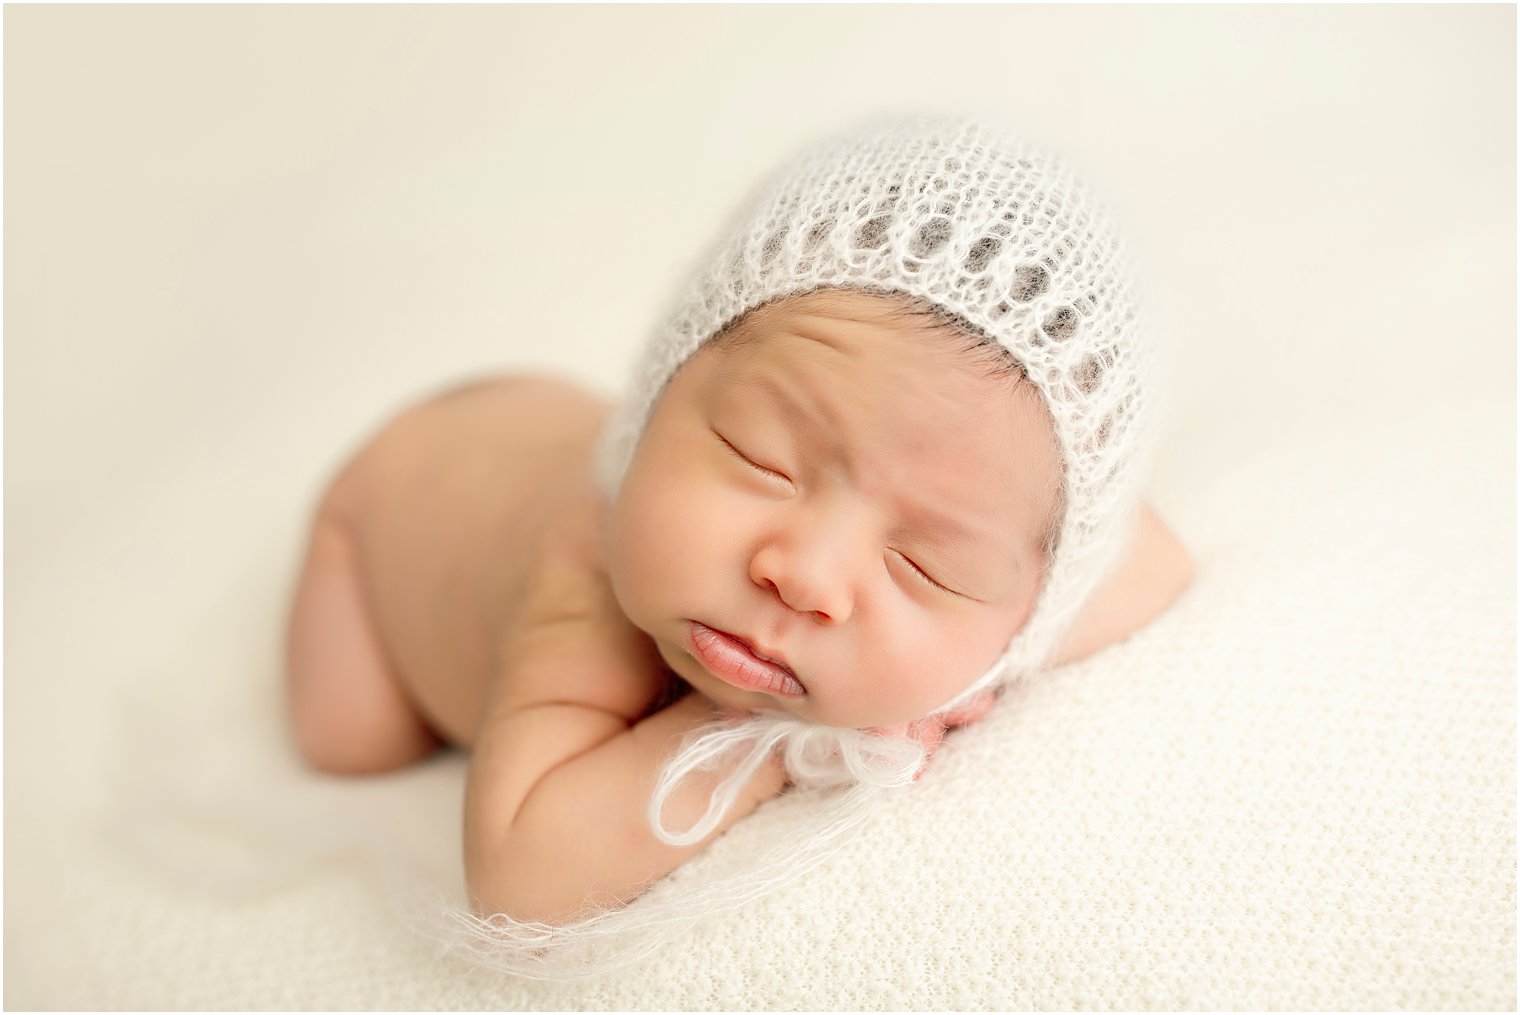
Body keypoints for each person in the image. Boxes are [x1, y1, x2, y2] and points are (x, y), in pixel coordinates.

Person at [283, 118, 1194, 936]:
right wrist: (789, 747)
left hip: (525, 418)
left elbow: (1151, 562)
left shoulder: (1021, 543)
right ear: (660, 399)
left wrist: (988, 657)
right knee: (354, 740)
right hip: (397, 489)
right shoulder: (582, 576)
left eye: (926, 565)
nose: (803, 576)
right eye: (763, 460)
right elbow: (522, 874)